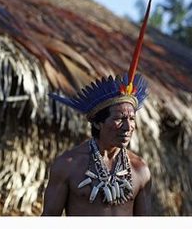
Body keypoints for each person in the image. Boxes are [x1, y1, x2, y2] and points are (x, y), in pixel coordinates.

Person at [42, 74, 152, 216]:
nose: (128, 126)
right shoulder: (68, 165)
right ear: (97, 123)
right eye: (119, 118)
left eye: (132, 118)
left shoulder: (140, 169)